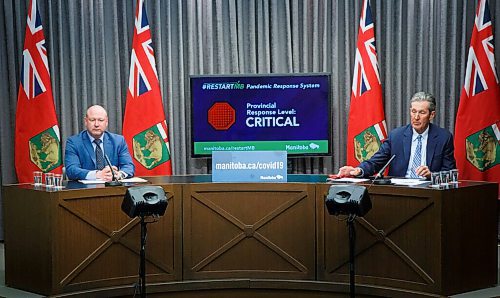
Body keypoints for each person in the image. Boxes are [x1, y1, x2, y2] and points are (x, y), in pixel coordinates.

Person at [338, 92, 456, 179]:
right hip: (400, 192)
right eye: (413, 111)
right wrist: (358, 170)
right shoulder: (396, 136)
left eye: (422, 112)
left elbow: (450, 173)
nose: (416, 117)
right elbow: (376, 161)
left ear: (431, 115)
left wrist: (431, 175)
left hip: (429, 191)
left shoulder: (443, 138)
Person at [65, 105, 134, 181]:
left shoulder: (118, 141)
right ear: (86, 121)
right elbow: (71, 170)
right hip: (85, 191)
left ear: (106, 122)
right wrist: (97, 174)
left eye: (101, 120)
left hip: (113, 190)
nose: (96, 124)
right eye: (92, 120)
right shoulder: (74, 142)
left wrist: (118, 175)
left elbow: (128, 166)